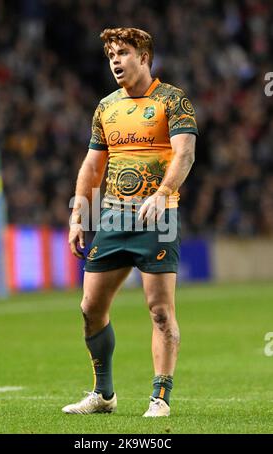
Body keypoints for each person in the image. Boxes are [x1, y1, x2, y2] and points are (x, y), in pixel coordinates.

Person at [62, 27, 198, 417]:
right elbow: (91, 168)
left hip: (159, 217)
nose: (116, 61)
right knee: (90, 307)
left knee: (159, 311)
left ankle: (160, 397)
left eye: (123, 53)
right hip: (112, 218)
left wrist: (163, 192)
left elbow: (184, 154)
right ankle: (103, 394)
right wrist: (78, 218)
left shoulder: (173, 100)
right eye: (111, 55)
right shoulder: (106, 107)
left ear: (144, 56)